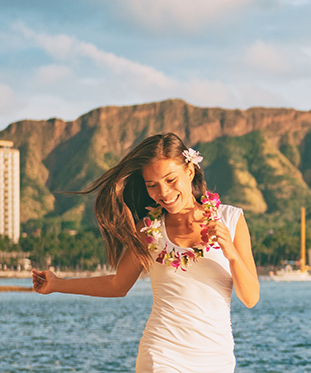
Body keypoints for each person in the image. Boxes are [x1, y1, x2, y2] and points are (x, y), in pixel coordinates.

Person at [31, 132, 260, 372]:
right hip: (162, 354)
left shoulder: (231, 219)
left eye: (171, 180)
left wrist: (231, 253)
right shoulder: (149, 229)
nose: (164, 193)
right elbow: (117, 285)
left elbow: (250, 298)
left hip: (216, 357)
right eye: (152, 185)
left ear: (189, 172)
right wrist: (57, 284)